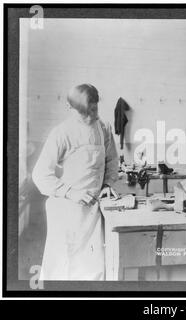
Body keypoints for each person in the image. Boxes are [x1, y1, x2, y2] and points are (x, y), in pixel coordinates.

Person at [32, 84, 119, 280]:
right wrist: (71, 192)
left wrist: (107, 185)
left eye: (93, 110)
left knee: (92, 269)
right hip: (66, 211)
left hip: (93, 212)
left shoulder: (103, 128)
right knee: (63, 269)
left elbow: (112, 161)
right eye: (84, 114)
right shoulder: (61, 133)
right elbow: (40, 175)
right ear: (70, 109)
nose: (90, 117)